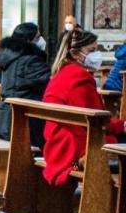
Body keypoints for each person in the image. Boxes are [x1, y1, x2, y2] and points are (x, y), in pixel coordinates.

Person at [41, 28, 125, 186]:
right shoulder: (79, 78)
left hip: (57, 150)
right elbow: (99, 122)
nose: (96, 55)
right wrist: (123, 125)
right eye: (91, 50)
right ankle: (118, 198)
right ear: (75, 53)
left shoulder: (63, 73)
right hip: (74, 157)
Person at [0, 22, 50, 148]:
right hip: (25, 121)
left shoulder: (8, 56)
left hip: (5, 117)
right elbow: (47, 84)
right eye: (37, 37)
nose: (41, 40)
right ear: (28, 40)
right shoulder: (31, 60)